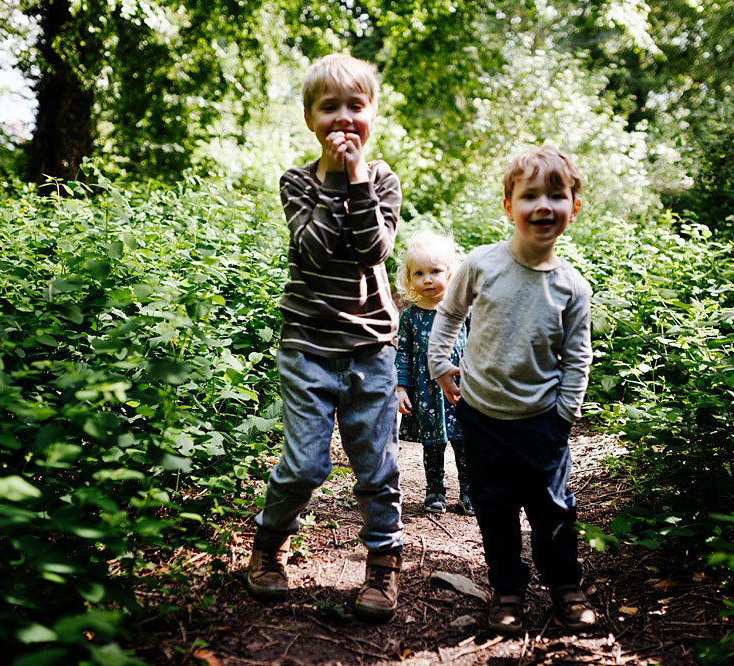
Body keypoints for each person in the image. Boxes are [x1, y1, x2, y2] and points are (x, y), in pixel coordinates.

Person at [246, 54, 404, 622]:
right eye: (329, 108)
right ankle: (269, 546)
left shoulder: (383, 179)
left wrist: (357, 179)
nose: (343, 120)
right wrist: (334, 179)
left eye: (354, 108)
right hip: (308, 347)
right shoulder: (296, 182)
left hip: (370, 348)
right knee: (306, 466)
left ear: (372, 115)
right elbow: (312, 248)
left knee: (377, 466)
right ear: (310, 117)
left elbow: (374, 250)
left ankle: (383, 567)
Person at [427, 146, 598, 633]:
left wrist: (565, 415)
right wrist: (440, 363)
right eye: (530, 196)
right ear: (509, 206)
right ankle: (507, 589)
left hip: (542, 420)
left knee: (553, 509)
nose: (543, 206)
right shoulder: (482, 265)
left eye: (556, 195)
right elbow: (449, 314)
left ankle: (566, 585)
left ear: (573, 207)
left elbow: (578, 356)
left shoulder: (571, 287)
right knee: (495, 508)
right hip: (481, 417)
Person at [394, 230, 474, 515]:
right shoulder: (411, 316)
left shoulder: (462, 309)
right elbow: (402, 353)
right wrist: (401, 388)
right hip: (426, 394)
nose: (427, 279)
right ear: (409, 278)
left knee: (466, 442)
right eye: (419, 273)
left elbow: (479, 343)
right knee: (433, 444)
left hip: (461, 390)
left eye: (435, 271)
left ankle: (469, 490)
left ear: (450, 273)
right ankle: (435, 491)